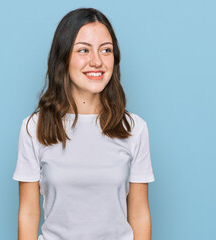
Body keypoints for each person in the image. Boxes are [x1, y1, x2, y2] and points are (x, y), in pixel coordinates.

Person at [12, 7, 155, 240]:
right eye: (83, 50)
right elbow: (28, 213)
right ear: (63, 57)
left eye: (105, 50)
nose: (96, 61)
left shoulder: (134, 129)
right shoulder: (34, 128)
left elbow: (139, 212)